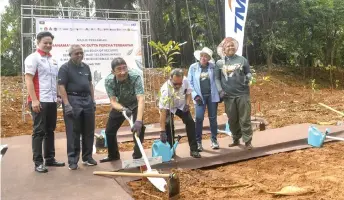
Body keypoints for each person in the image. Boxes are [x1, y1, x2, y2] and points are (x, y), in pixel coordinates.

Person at [24, 31, 65, 173]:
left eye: (50, 43)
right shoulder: (33, 58)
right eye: (45, 42)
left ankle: (50, 158)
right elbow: (28, 79)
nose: (48, 45)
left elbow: (55, 80)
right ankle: (38, 162)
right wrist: (34, 100)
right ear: (38, 43)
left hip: (52, 100)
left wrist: (58, 96)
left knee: (50, 130)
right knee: (39, 131)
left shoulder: (53, 60)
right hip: (39, 100)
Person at [58, 44, 97, 170]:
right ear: (70, 55)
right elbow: (61, 86)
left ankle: (87, 157)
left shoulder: (86, 67)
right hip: (73, 99)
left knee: (89, 130)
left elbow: (90, 84)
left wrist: (93, 100)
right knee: (73, 131)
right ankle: (73, 160)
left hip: (87, 100)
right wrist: (67, 104)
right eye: (76, 53)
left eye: (81, 53)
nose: (80, 55)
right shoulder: (65, 68)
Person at [100, 57, 145, 163]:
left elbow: (141, 99)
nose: (123, 72)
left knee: (139, 130)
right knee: (109, 131)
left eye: (125, 68)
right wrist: (123, 109)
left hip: (135, 105)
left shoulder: (135, 76)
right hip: (120, 106)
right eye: (119, 69)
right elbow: (113, 101)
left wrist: (138, 121)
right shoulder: (109, 81)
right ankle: (113, 155)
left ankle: (137, 157)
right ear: (113, 72)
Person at [215, 37, 253, 150]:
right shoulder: (219, 63)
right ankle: (236, 139)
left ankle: (248, 141)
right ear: (223, 49)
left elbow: (248, 73)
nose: (231, 47)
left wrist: (249, 77)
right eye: (228, 46)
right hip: (228, 96)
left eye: (232, 45)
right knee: (232, 119)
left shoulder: (242, 60)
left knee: (245, 118)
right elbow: (217, 79)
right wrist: (220, 91)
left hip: (243, 94)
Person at [159, 68, 201, 158]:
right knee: (168, 125)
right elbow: (163, 112)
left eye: (179, 84)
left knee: (190, 122)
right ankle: (171, 150)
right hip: (169, 107)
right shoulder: (165, 90)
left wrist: (187, 104)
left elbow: (188, 93)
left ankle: (194, 149)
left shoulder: (185, 80)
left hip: (181, 105)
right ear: (170, 79)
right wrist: (162, 131)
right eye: (175, 84)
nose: (178, 86)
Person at [187, 47, 220, 151]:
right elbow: (189, 82)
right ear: (199, 57)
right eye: (202, 56)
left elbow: (218, 79)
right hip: (199, 97)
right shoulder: (193, 67)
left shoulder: (213, 67)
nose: (203, 58)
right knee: (199, 118)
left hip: (212, 96)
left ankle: (214, 140)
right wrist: (195, 95)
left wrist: (220, 92)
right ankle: (198, 142)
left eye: (206, 56)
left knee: (213, 118)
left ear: (209, 58)